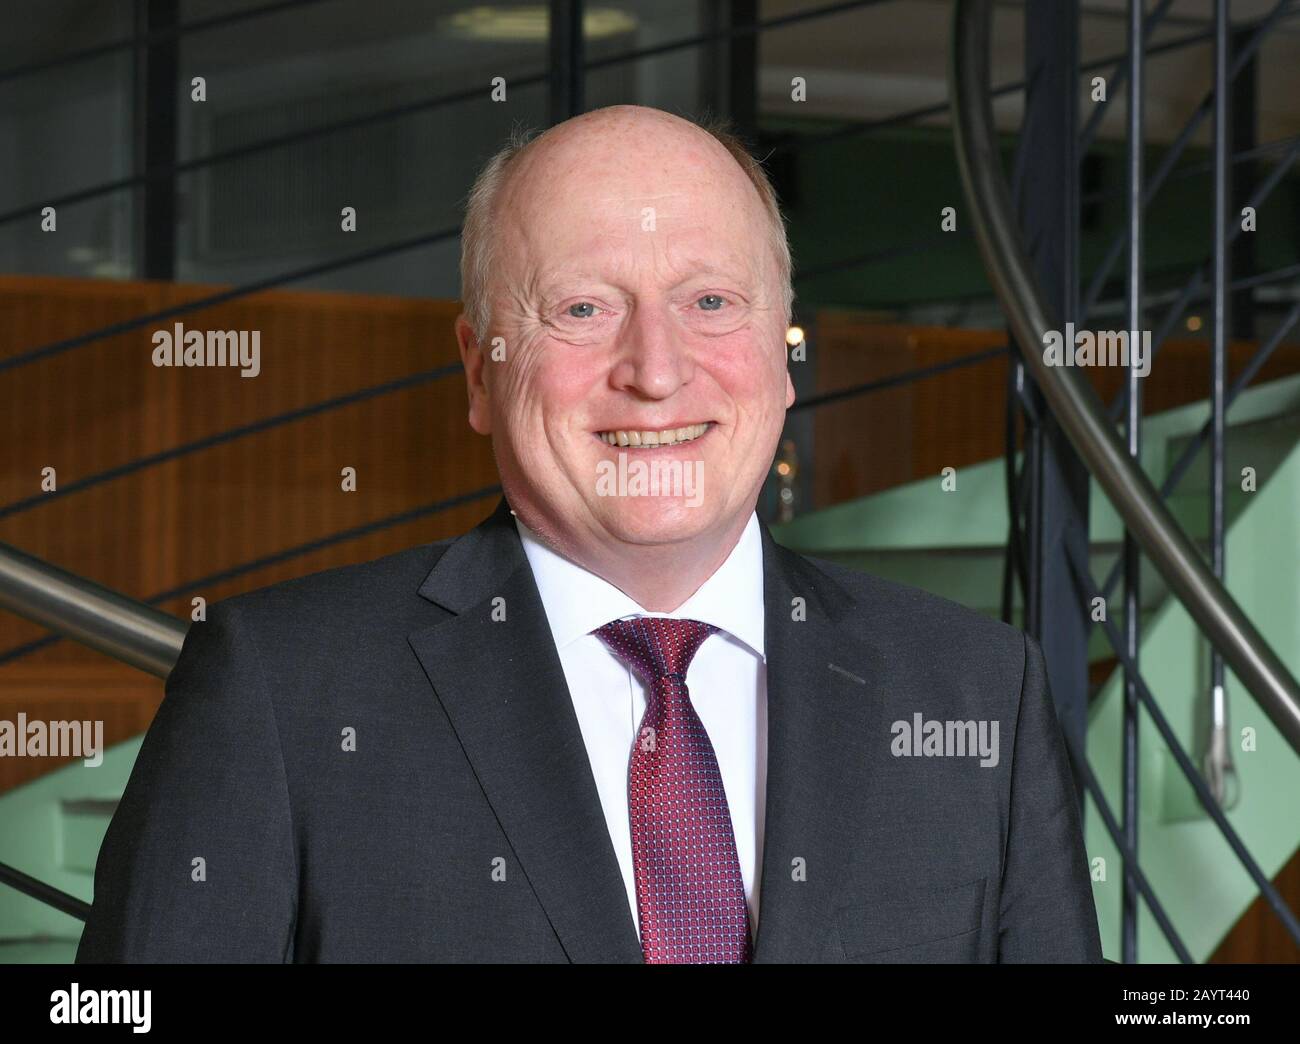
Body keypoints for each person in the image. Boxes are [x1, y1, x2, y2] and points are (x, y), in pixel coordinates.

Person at [76, 104, 1102, 963]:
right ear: (480, 370)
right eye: (580, 307)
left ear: (785, 354)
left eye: (710, 301)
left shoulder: (977, 693)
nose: (655, 369)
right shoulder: (279, 691)